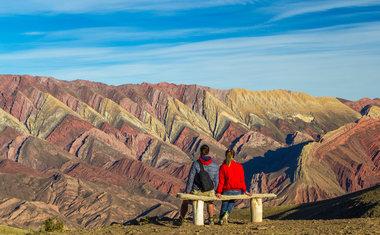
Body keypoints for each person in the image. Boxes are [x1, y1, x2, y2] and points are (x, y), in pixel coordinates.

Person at [177, 144, 219, 225]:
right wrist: (216, 191)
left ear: (200, 152)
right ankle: (211, 220)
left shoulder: (196, 164)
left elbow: (191, 179)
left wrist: (187, 192)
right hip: (209, 191)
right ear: (208, 152)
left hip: (197, 191)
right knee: (210, 203)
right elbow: (216, 180)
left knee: (185, 201)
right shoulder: (215, 165)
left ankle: (181, 218)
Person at [216, 149, 251, 225]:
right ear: (234, 155)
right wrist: (245, 190)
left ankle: (221, 219)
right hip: (237, 190)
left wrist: (218, 192)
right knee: (231, 203)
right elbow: (242, 180)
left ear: (226, 155)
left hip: (227, 190)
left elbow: (221, 181)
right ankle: (227, 215)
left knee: (225, 204)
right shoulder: (239, 166)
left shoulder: (223, 167)